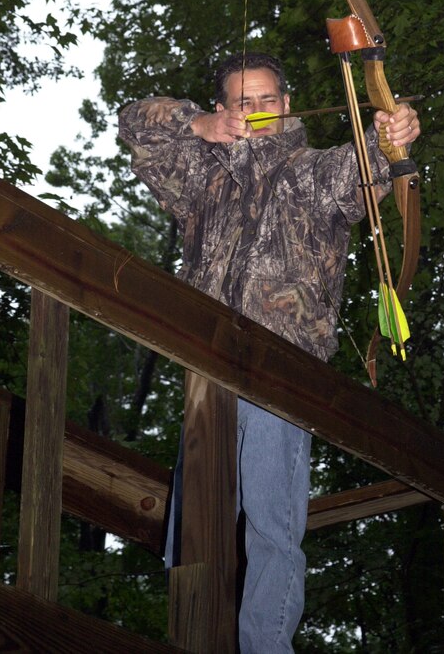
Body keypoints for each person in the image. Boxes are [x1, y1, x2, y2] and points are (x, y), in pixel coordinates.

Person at [118, 52, 420, 653]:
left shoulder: (314, 173)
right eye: (241, 103)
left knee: (272, 528)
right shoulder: (201, 179)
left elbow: (368, 166)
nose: (255, 112)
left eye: (266, 101)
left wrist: (392, 131)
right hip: (206, 367)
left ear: (287, 106)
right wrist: (194, 124)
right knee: (191, 526)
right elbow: (133, 122)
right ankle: (190, 638)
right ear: (225, 110)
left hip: (281, 373)